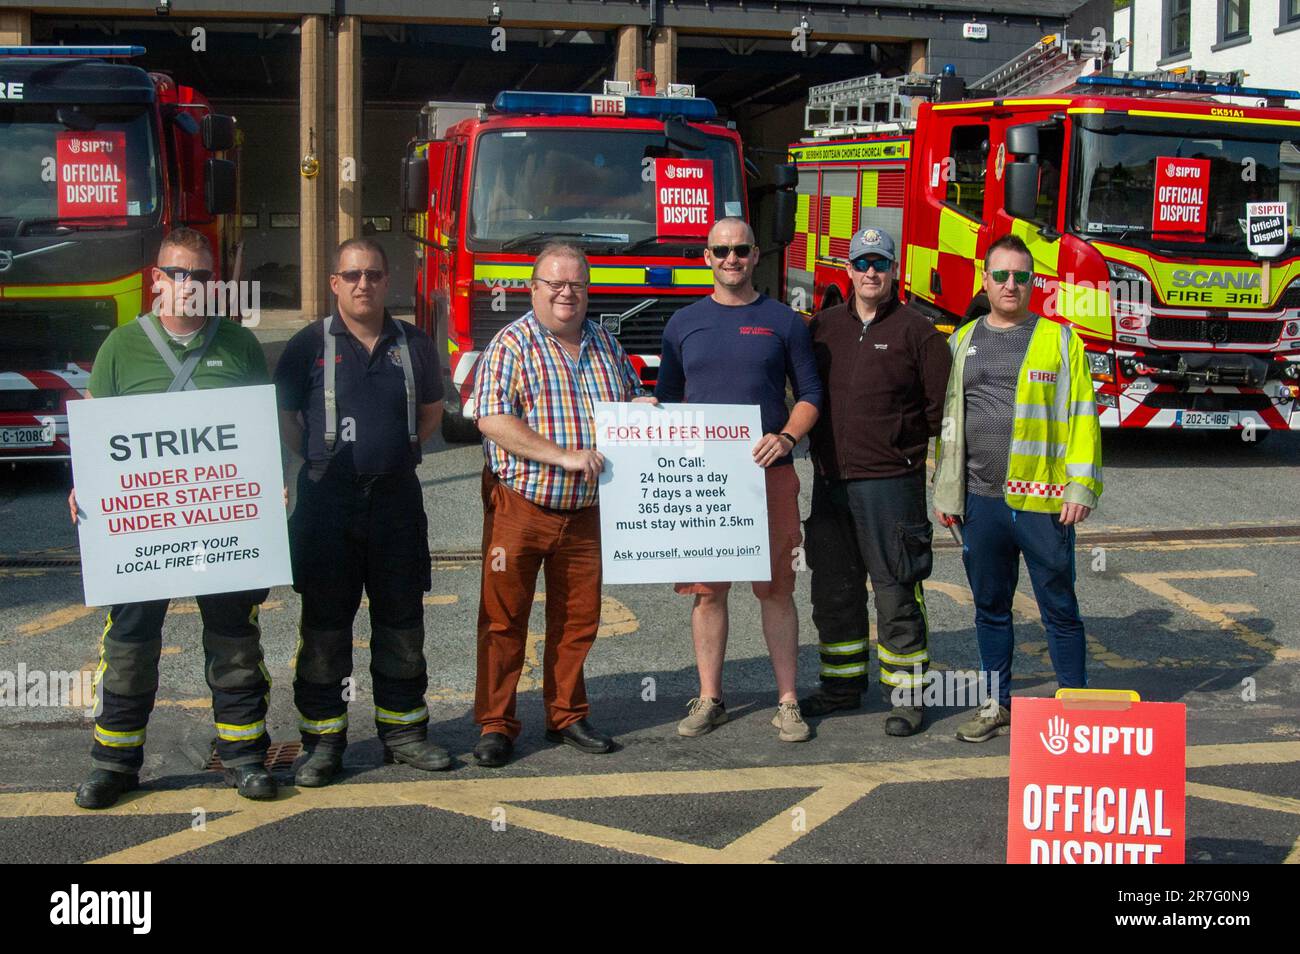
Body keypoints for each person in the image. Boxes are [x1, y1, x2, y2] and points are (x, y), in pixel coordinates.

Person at [70, 227, 275, 809]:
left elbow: (257, 432)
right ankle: (113, 764)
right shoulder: (119, 348)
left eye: (202, 276)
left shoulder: (240, 346)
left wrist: (269, 486)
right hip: (141, 532)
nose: (190, 285)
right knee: (131, 644)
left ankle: (244, 756)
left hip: (219, 527)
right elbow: (94, 432)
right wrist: (81, 487)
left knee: (235, 640)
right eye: (178, 273)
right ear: (156, 279)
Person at [471, 242, 653, 768]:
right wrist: (563, 457)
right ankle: (496, 724)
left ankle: (566, 715)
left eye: (575, 283)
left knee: (578, 619)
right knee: (503, 619)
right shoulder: (512, 344)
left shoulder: (603, 343)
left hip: (588, 511)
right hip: (520, 504)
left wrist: (641, 410)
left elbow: (625, 400)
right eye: (554, 284)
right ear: (534, 289)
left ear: (588, 289)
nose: (566, 293)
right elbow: (491, 420)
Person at [274, 238, 446, 786]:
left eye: (372, 274)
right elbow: (287, 423)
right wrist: (325, 463)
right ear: (334, 282)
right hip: (327, 503)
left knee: (402, 623)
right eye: (351, 275)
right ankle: (323, 744)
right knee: (325, 628)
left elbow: (431, 415)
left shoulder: (415, 344)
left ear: (386, 278)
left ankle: (405, 734)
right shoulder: (306, 345)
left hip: (396, 501)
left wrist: (389, 454)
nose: (363, 284)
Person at [656, 217, 823, 742]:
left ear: (755, 256)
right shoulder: (682, 323)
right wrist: (645, 415)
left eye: (741, 250)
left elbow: (813, 394)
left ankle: (788, 702)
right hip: (705, 482)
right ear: (706, 256)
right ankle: (710, 698)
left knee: (775, 590)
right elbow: (668, 400)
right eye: (721, 250)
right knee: (707, 594)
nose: (732, 259)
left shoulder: (784, 321)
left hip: (768, 475)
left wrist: (788, 438)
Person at [933, 235, 1103, 742]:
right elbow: (949, 421)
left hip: (1044, 502)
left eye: (1021, 276)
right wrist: (947, 491)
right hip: (981, 501)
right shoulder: (962, 340)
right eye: (1001, 275)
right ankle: (994, 706)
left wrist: (1080, 487)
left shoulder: (1059, 340)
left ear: (1033, 283)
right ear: (984, 281)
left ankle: (1074, 705)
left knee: (1059, 606)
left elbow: (1082, 417)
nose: (1011, 284)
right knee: (990, 607)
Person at [802, 227, 952, 736]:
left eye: (880, 264)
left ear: (894, 272)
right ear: (848, 271)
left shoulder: (919, 333)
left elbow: (941, 413)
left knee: (896, 590)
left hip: (891, 485)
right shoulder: (821, 328)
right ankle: (841, 686)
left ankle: (908, 696)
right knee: (834, 589)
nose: (871, 272)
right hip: (830, 482)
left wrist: (915, 461)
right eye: (862, 263)